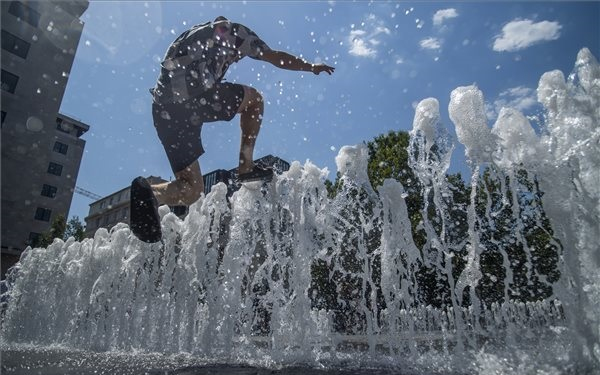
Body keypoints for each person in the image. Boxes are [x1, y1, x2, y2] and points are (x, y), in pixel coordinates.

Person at [130, 16, 335, 243]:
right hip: (192, 97)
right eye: (238, 55)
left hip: (165, 111)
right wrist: (310, 67)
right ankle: (245, 167)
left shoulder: (188, 36)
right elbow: (273, 56)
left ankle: (149, 194)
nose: (237, 59)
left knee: (192, 190)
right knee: (255, 100)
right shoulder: (233, 32)